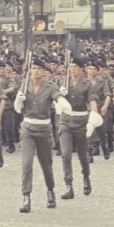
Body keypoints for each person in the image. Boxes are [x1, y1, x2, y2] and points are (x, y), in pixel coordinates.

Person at [14, 58, 72, 213]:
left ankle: (50, 190)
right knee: (26, 164)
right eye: (33, 68)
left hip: (44, 129)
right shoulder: (24, 85)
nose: (36, 71)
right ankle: (26, 197)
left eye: (39, 68)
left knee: (46, 165)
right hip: (27, 128)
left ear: (44, 71)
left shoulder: (50, 86)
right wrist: (18, 101)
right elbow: (17, 108)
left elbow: (57, 97)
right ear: (30, 70)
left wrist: (62, 101)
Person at [58, 58, 101, 199]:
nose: (73, 69)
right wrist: (59, 97)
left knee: (83, 156)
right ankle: (68, 185)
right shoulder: (63, 82)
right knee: (65, 154)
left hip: (81, 122)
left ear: (82, 69)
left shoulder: (87, 84)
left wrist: (93, 118)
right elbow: (55, 100)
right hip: (65, 121)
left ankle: (86, 176)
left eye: (76, 67)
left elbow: (93, 101)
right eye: (71, 67)